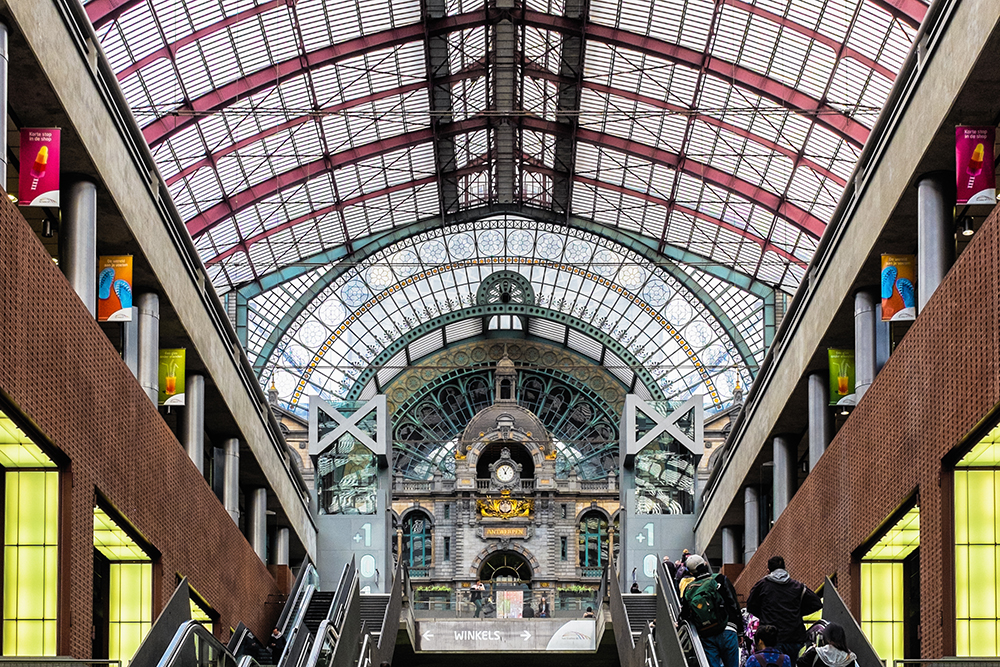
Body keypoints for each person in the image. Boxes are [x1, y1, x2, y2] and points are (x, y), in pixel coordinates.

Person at [746, 557, 823, 660]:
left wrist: (764, 614)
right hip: (795, 636)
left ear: (768, 570)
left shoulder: (762, 585)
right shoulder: (797, 586)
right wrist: (797, 613)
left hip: (771, 638)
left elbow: (750, 606)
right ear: (784, 568)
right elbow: (816, 603)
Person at [679, 554, 744, 667]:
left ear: (691, 573)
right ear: (705, 564)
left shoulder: (689, 589)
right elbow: (733, 605)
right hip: (728, 629)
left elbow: (685, 614)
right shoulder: (720, 579)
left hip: (706, 633)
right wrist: (740, 631)